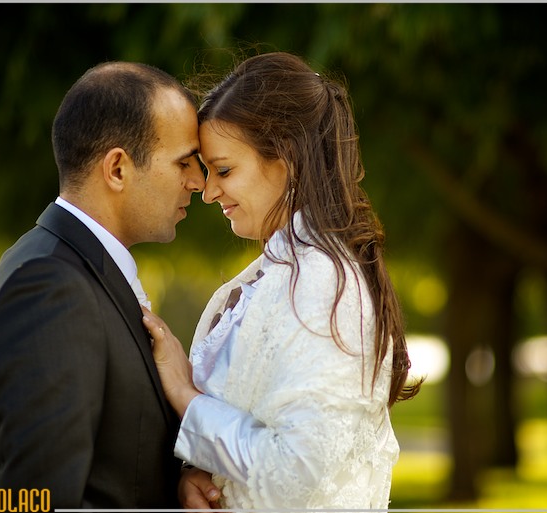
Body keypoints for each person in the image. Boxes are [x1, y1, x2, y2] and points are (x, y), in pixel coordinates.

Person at [143, 51, 423, 511]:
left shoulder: (322, 283)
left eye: (224, 170)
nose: (208, 191)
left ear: (287, 158)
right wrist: (198, 473)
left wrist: (186, 396)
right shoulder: (281, 274)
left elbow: (297, 473)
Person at [0, 61, 219, 510]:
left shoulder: (70, 270)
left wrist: (174, 486)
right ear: (117, 168)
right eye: (184, 162)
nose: (198, 182)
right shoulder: (50, 288)